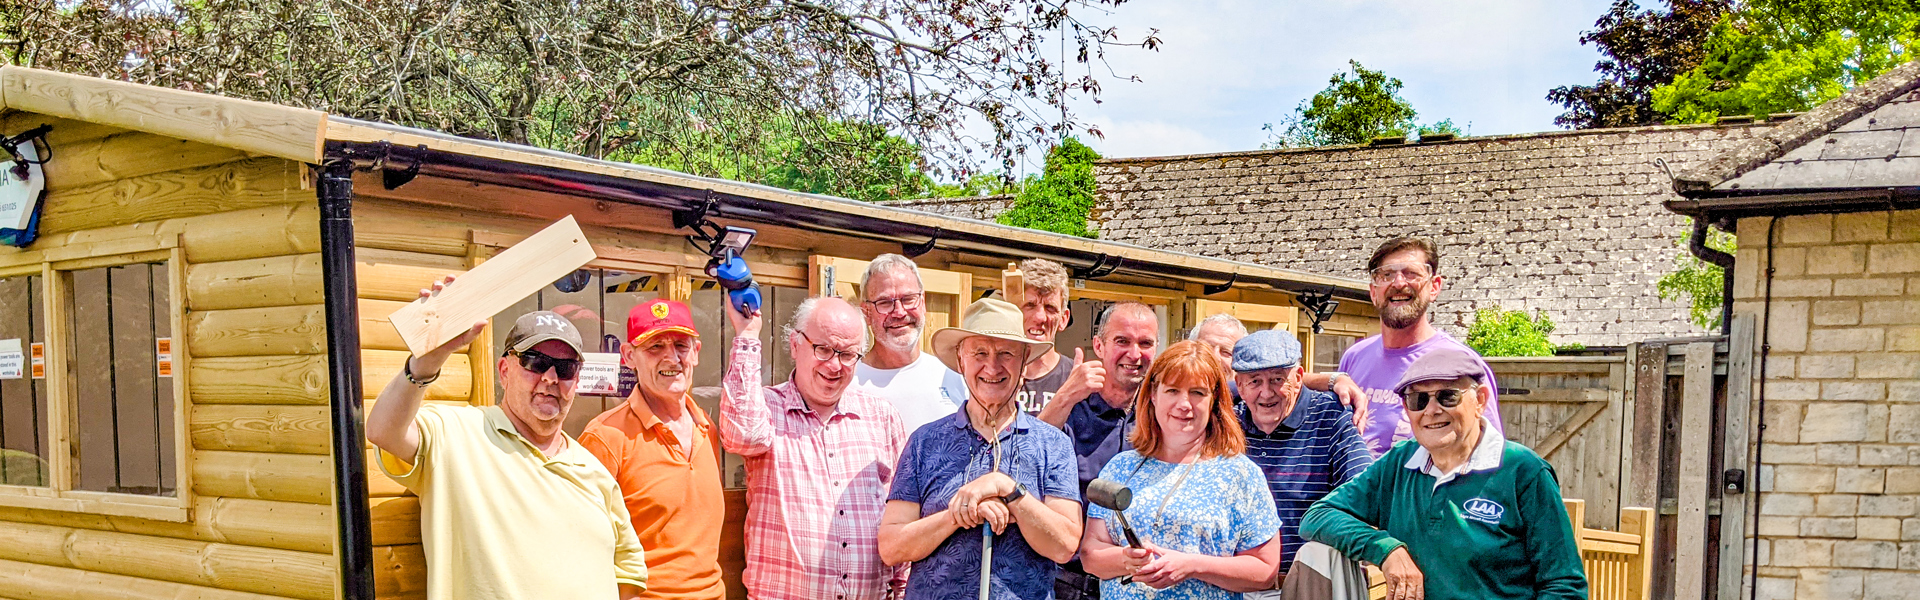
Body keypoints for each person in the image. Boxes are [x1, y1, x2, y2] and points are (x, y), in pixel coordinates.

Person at [367, 291, 647, 599]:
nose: (551, 377)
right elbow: (384, 431)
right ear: (504, 371)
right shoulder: (457, 434)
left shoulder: (594, 471)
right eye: (536, 362)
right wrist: (425, 364)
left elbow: (628, 574)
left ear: (576, 381)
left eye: (564, 368)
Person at [1299, 346, 1587, 600]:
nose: (1432, 410)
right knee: (1316, 554)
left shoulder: (1523, 472)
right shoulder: (1401, 463)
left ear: (1481, 400)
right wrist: (1386, 549)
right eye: (1418, 400)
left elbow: (1564, 585)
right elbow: (1318, 516)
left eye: (1447, 396)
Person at [879, 298, 1084, 600]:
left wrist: (1009, 490)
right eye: (980, 353)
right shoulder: (926, 442)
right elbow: (892, 546)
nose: (992, 366)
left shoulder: (1053, 445)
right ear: (961, 360)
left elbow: (1065, 545)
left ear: (1024, 360)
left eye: (1006, 353)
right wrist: (958, 514)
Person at [722, 296, 909, 600]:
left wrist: (903, 590)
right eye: (823, 349)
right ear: (795, 345)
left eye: (848, 354)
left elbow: (901, 512)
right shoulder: (768, 408)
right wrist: (746, 336)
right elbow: (740, 436)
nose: (834, 365)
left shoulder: (881, 416)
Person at [1080, 341, 1284, 600]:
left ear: (1214, 401)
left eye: (1197, 392)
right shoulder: (1121, 467)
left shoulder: (1240, 474)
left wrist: (1192, 566)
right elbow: (1090, 555)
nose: (1184, 404)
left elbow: (1265, 570)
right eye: (1173, 390)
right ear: (1153, 395)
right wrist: (1127, 560)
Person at [581, 299, 726, 600]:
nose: (671, 358)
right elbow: (581, 541)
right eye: (655, 347)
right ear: (628, 356)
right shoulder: (605, 437)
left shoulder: (706, 427)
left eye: (681, 346)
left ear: (696, 353)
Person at [1306, 237, 1504, 455]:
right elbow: (1284, 385)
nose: (1399, 283)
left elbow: (1490, 457)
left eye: (1411, 273)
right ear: (1373, 292)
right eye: (1386, 275)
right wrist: (1331, 379)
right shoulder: (1355, 356)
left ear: (1434, 287)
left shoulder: (1462, 363)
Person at [1229, 330, 1372, 595]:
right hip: (1237, 588)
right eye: (1254, 381)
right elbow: (1194, 392)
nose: (1266, 392)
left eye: (1277, 379)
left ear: (1298, 378)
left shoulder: (1333, 417)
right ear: (1238, 383)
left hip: (1313, 584)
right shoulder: (1227, 422)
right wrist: (1333, 378)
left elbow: (1362, 495)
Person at [854, 254, 970, 435]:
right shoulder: (849, 384)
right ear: (866, 312)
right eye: (885, 302)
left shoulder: (954, 375)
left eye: (908, 299)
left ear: (922, 302)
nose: (899, 312)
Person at [1013, 258, 1103, 417]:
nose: (1040, 317)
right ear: (1013, 312)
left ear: (1063, 319)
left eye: (1050, 308)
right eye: (1030, 305)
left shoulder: (1078, 380)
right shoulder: (997, 376)